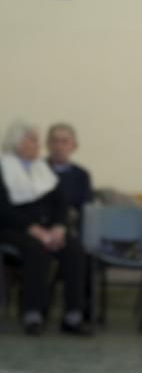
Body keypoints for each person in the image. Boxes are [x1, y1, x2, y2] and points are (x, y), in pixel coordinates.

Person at [0, 121, 91, 336]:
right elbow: (3, 209)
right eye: (32, 140)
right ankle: (34, 314)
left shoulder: (43, 169)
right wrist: (33, 229)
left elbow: (60, 203)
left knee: (74, 250)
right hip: (13, 228)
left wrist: (59, 227)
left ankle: (73, 316)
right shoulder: (3, 168)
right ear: (18, 143)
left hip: (47, 228)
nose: (38, 144)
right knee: (36, 250)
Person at [46, 123, 93, 231]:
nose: (59, 146)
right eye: (54, 141)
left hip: (71, 227)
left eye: (64, 142)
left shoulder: (81, 175)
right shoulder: (37, 170)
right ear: (48, 144)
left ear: (74, 146)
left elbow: (86, 208)